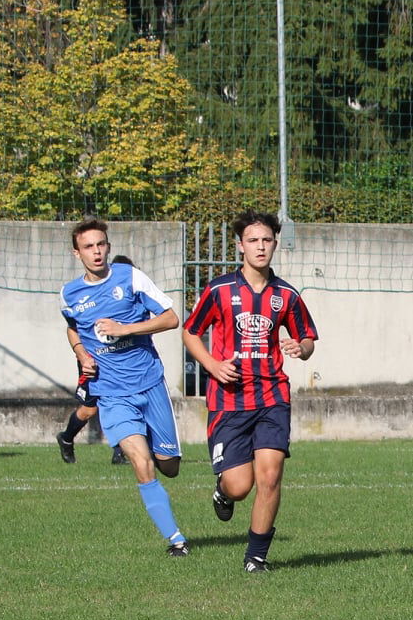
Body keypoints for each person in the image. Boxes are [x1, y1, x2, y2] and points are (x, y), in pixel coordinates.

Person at [181, 210, 318, 573]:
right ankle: (223, 491)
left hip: (273, 396)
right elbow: (190, 332)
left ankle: (256, 558)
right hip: (229, 399)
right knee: (240, 486)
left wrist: (299, 348)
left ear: (275, 244)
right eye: (253, 240)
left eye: (267, 240)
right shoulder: (219, 290)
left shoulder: (286, 295)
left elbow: (307, 339)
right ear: (240, 245)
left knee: (270, 475)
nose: (261, 247)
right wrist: (211, 365)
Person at [59, 218, 189, 556]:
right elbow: (73, 327)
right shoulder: (69, 293)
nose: (97, 251)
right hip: (112, 392)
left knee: (169, 465)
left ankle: (156, 444)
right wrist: (81, 352)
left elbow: (171, 318)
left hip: (149, 383)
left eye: (101, 244)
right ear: (77, 254)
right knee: (139, 461)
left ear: (109, 247)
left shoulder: (130, 278)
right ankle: (176, 540)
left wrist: (125, 329)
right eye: (89, 247)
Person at [56, 255, 133, 465]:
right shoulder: (92, 297)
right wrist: (83, 356)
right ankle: (66, 438)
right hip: (94, 361)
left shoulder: (131, 298)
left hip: (119, 360)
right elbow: (73, 328)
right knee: (90, 409)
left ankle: (120, 453)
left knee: (121, 401)